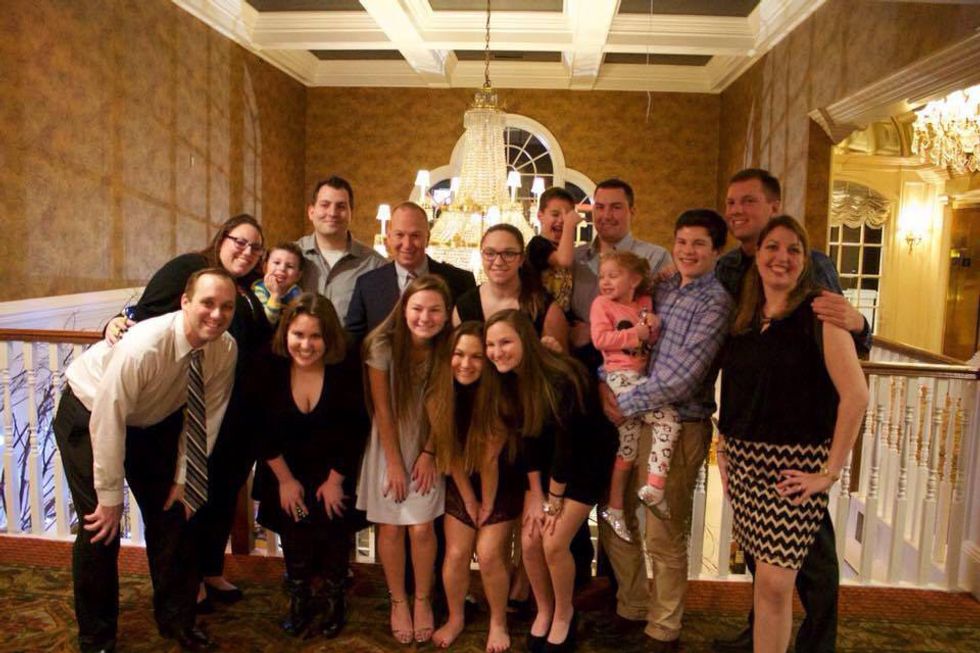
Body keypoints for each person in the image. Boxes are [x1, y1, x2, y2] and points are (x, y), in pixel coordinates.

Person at [713, 168, 871, 653]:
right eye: (772, 249)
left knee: (780, 582)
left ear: (806, 260)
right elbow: (737, 385)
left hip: (793, 466)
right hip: (744, 462)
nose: (781, 257)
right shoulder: (744, 309)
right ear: (757, 255)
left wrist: (829, 472)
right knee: (765, 579)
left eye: (793, 250)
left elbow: (856, 395)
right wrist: (724, 447)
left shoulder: (819, 310)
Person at [54, 268, 238, 653]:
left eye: (227, 307)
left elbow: (206, 416)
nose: (217, 314)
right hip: (90, 411)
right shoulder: (144, 346)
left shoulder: (225, 349)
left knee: (173, 515)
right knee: (100, 528)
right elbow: (108, 417)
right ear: (185, 302)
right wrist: (110, 498)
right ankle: (97, 638)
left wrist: (186, 477)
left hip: (150, 419)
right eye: (207, 303)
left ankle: (177, 621)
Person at [105, 213, 272, 607]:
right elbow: (142, 318)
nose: (247, 251)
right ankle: (188, 579)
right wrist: (114, 323)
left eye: (255, 247)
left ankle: (211, 569)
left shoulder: (251, 291)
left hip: (237, 414)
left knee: (223, 495)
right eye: (239, 241)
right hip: (191, 410)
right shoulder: (189, 269)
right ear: (222, 238)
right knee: (191, 495)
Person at [599, 209, 733, 653]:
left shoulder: (716, 302)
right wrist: (607, 387)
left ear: (717, 250)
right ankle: (632, 605)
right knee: (616, 513)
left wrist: (623, 402)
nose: (688, 251)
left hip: (680, 423)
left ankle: (664, 628)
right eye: (682, 242)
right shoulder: (663, 286)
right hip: (634, 416)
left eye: (699, 244)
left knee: (663, 529)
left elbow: (683, 378)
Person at [479, 309, 614, 652]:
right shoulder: (508, 381)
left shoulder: (561, 376)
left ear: (525, 340)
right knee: (529, 541)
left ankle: (565, 613)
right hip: (547, 471)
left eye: (505, 342)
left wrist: (553, 501)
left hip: (585, 464)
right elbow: (529, 443)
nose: (497, 352)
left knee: (553, 542)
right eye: (491, 345)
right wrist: (536, 494)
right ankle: (545, 609)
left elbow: (567, 445)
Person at [249, 293, 369, 640]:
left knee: (334, 529)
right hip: (284, 470)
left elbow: (356, 428)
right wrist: (285, 481)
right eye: (298, 335)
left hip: (334, 470)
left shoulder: (344, 367)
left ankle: (334, 598)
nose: (305, 345)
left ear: (329, 337)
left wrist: (335, 480)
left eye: (315, 336)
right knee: (295, 528)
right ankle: (299, 597)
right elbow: (258, 427)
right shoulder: (268, 364)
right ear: (285, 333)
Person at [356, 274, 452, 645]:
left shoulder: (448, 348)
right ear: (404, 308)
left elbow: (444, 408)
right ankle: (398, 600)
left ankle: (423, 599)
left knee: (423, 528)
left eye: (434, 310)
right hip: (389, 442)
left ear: (446, 313)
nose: (425, 318)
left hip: (430, 441)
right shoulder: (381, 345)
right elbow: (383, 409)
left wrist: (429, 452)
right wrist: (394, 463)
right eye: (417, 308)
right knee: (392, 528)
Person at [429, 322, 522, 652]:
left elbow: (490, 461)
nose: (465, 364)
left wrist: (486, 505)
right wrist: (469, 501)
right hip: (462, 479)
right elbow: (449, 454)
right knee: (456, 553)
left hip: (501, 481)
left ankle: (498, 622)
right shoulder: (439, 394)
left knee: (489, 554)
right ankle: (456, 618)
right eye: (459, 354)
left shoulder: (500, 398)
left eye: (476, 357)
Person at [591, 251, 682, 540]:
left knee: (627, 448)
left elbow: (650, 340)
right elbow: (600, 339)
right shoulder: (602, 304)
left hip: (640, 376)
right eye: (602, 276)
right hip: (619, 377)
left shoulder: (644, 303)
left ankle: (615, 508)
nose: (605, 281)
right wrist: (636, 334)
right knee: (668, 420)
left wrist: (653, 326)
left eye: (613, 275)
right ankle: (655, 486)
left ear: (634, 280)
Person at [569, 178, 671, 357]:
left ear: (632, 211)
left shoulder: (655, 257)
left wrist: (595, 332)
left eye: (616, 207)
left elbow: (665, 318)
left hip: (632, 358)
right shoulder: (575, 257)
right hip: (579, 359)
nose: (606, 215)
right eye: (600, 207)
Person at [346, 201, 476, 340]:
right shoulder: (367, 285)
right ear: (388, 238)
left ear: (427, 238)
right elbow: (354, 341)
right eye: (399, 235)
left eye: (415, 235)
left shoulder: (461, 282)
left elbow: (471, 338)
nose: (407, 244)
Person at [453, 224, 568, 350]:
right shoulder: (464, 306)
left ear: (521, 259)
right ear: (482, 256)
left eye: (508, 254)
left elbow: (560, 360)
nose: (498, 262)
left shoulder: (544, 308)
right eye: (490, 253)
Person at [297, 176, 386, 319]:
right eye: (325, 205)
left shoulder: (374, 265)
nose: (332, 213)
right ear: (311, 212)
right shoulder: (290, 257)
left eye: (341, 206)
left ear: (351, 213)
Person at [525, 187, 583, 313]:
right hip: (539, 314)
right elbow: (564, 260)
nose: (561, 220)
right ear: (540, 216)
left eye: (567, 216)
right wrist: (569, 225)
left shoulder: (564, 249)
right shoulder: (537, 244)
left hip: (562, 314)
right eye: (555, 214)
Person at [251, 242, 305, 325]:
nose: (282, 268)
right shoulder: (259, 289)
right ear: (265, 267)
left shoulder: (296, 293)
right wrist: (275, 295)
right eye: (276, 263)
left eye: (290, 266)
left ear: (298, 275)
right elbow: (268, 320)